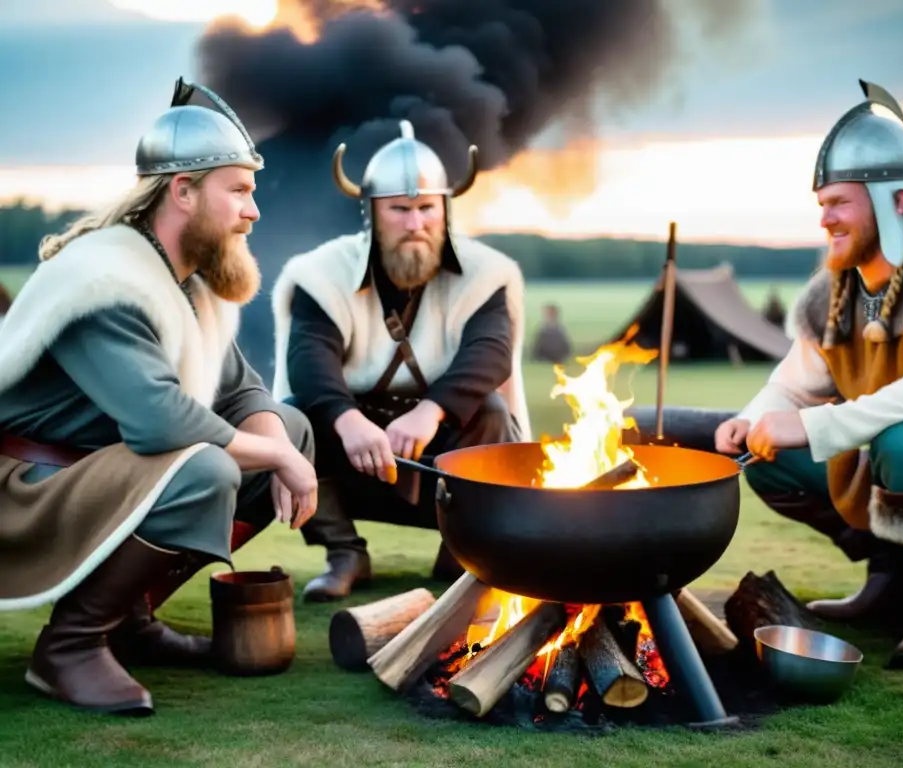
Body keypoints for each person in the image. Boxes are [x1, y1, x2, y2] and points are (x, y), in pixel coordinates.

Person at [0, 78, 319, 716]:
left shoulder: (186, 281)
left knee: (288, 425)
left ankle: (128, 617)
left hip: (101, 474)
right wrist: (278, 459)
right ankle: (69, 647)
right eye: (239, 192)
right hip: (27, 486)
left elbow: (240, 392)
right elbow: (159, 423)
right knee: (205, 466)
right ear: (183, 191)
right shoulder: (105, 280)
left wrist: (281, 443)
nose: (253, 212)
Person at [711, 79, 903, 668]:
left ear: (895, 201)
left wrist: (811, 426)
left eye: (839, 203)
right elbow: (793, 382)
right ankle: (897, 581)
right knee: (771, 459)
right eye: (821, 204)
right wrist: (751, 420)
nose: (825, 219)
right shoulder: (837, 294)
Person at [271, 120, 529, 602]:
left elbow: (491, 353)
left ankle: (463, 555)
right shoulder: (321, 274)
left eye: (427, 208)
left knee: (491, 413)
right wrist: (347, 421)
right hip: (353, 451)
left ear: (444, 208)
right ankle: (345, 553)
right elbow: (309, 359)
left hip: (441, 447)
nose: (416, 224)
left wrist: (430, 411)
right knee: (290, 420)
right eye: (400, 209)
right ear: (371, 210)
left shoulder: (484, 273)